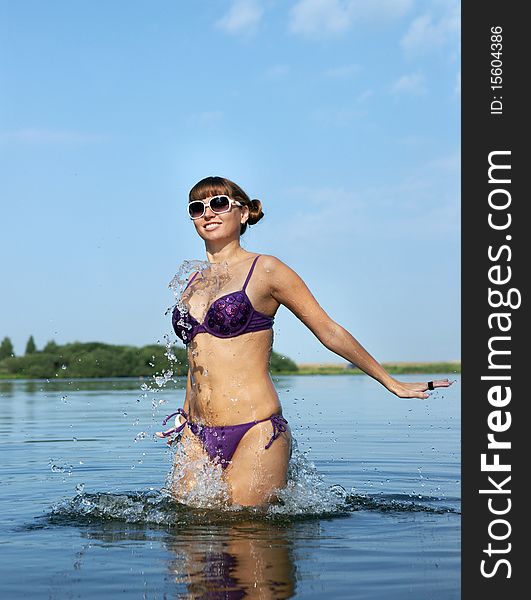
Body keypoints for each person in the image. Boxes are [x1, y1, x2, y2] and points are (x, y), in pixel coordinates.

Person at [156, 176, 452, 507]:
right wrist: (185, 412)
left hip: (255, 431)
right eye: (198, 208)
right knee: (187, 540)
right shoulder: (192, 281)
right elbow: (197, 355)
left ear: (242, 213)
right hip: (196, 433)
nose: (208, 213)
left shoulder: (266, 269)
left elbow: (329, 330)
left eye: (219, 203)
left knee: (250, 534)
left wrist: (390, 382)